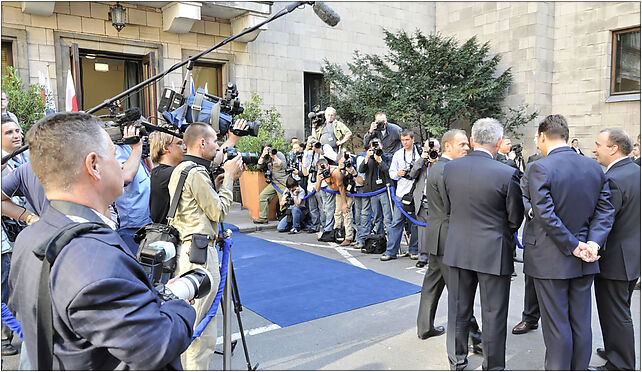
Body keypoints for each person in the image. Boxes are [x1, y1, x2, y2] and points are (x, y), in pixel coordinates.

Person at [10, 112, 196, 369]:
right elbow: (155, 345)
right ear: (94, 165)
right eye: (114, 154)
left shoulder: (29, 237)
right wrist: (180, 307)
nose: (120, 165)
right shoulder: (95, 259)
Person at [523, 114, 614, 370]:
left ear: (542, 136)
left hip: (551, 258)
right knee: (581, 323)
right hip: (587, 257)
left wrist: (575, 246)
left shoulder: (540, 167)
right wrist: (592, 244)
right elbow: (605, 211)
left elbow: (545, 215)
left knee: (557, 326)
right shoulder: (593, 167)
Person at [442, 118, 524, 370]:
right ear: (499, 143)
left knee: (458, 309)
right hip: (493, 250)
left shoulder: (450, 169)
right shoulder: (507, 173)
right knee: (494, 313)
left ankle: (457, 361)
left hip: (457, 248)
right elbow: (515, 218)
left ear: (473, 139)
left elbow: (448, 208)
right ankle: (494, 366)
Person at [168, 122, 244, 370]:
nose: (216, 146)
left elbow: (197, 207)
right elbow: (218, 211)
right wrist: (231, 179)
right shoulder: (197, 173)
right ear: (202, 143)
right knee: (202, 326)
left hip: (188, 249)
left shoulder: (181, 169)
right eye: (213, 141)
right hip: (199, 252)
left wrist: (219, 186)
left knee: (192, 318)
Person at [415, 130, 484, 353]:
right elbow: (453, 206)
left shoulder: (438, 168)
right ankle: (476, 339)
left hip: (436, 235)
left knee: (432, 284)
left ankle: (425, 326)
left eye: (467, 144)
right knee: (459, 292)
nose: (467, 148)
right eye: (462, 144)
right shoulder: (449, 170)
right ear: (447, 146)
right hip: (448, 237)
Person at [590, 128, 640, 371]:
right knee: (620, 310)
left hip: (615, 259)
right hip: (631, 256)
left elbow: (604, 220)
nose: (594, 149)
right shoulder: (636, 172)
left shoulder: (614, 179)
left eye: (598, 144)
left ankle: (621, 364)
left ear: (613, 148)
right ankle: (614, 349)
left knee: (616, 313)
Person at [511, 140, 542, 336]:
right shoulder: (533, 165)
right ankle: (530, 318)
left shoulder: (578, 163)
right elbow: (523, 194)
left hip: (566, 236)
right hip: (535, 233)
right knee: (531, 279)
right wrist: (531, 211)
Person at [114, 125, 153, 254]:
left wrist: (143, 151)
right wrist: (137, 147)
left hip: (144, 223)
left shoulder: (134, 149)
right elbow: (125, 177)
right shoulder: (118, 150)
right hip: (129, 227)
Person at [382, 129, 420, 261]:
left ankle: (413, 250)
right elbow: (391, 173)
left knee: (415, 224)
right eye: (403, 140)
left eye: (407, 140)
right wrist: (398, 173)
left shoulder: (420, 153)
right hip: (400, 193)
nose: (405, 142)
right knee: (396, 222)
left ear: (413, 139)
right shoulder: (398, 154)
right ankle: (391, 251)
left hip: (416, 194)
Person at [409, 138, 440, 268]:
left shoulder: (443, 162)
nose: (431, 152)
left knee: (437, 230)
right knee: (422, 231)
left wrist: (437, 162)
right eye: (429, 149)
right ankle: (423, 257)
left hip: (437, 201)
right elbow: (412, 174)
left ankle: (436, 257)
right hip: (422, 199)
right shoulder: (421, 162)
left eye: (434, 149)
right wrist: (422, 159)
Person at [149, 131, 186, 223]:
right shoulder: (169, 174)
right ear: (165, 148)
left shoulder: (157, 172)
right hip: (168, 233)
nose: (185, 148)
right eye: (180, 143)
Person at [358, 137, 392, 238]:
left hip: (384, 190)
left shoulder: (386, 156)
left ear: (381, 145)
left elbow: (388, 171)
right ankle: (380, 238)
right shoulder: (368, 158)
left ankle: (391, 240)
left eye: (378, 145)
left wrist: (380, 161)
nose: (376, 147)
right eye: (374, 145)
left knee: (387, 218)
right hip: (373, 192)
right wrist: (367, 157)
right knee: (377, 217)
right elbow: (361, 170)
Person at [253, 142, 288, 224]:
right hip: (273, 183)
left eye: (269, 148)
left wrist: (274, 157)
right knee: (263, 196)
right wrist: (263, 155)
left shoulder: (279, 154)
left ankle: (286, 220)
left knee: (283, 201)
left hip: (283, 181)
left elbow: (284, 166)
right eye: (266, 149)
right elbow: (259, 166)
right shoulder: (265, 157)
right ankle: (263, 218)